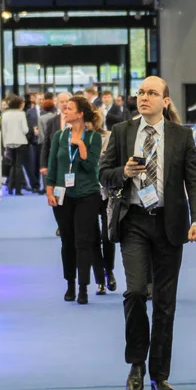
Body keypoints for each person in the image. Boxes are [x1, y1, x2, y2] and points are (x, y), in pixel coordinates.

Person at [99, 76, 196, 390]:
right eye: (141, 92)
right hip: (133, 222)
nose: (144, 97)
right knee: (134, 292)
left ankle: (159, 372)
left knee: (164, 302)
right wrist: (124, 174)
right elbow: (104, 175)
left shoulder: (182, 135)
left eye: (152, 93)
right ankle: (136, 364)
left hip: (170, 225)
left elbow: (195, 182)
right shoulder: (121, 132)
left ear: (166, 101)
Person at [46, 96, 102, 305]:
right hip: (63, 196)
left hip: (87, 195)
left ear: (80, 114)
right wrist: (49, 191)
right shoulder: (59, 137)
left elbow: (91, 167)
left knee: (83, 242)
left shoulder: (93, 138)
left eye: (69, 108)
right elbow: (52, 167)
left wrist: (81, 147)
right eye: (65, 107)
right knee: (67, 241)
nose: (65, 110)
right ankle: (70, 283)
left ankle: (83, 287)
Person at [87, 108, 117, 296]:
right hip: (88, 193)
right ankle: (99, 280)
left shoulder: (110, 137)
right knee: (92, 238)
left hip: (108, 192)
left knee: (108, 236)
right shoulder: (80, 138)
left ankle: (109, 271)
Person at [1, 96, 29, 196]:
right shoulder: (21, 114)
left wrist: (5, 145)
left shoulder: (5, 114)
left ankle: (10, 187)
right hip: (20, 141)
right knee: (18, 166)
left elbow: (4, 131)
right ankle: (18, 190)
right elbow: (25, 129)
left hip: (9, 142)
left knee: (12, 165)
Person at [40, 92, 72, 174]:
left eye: (67, 101)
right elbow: (46, 143)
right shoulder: (52, 121)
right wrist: (44, 165)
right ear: (57, 104)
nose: (65, 104)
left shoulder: (78, 120)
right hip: (56, 161)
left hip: (73, 160)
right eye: (61, 102)